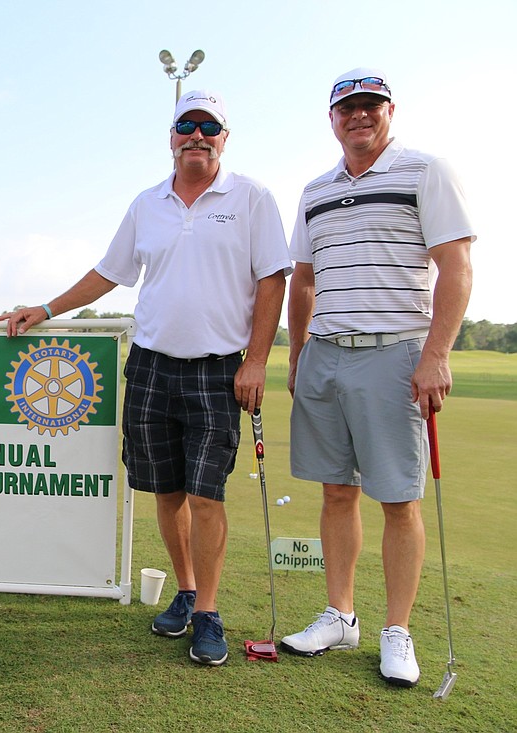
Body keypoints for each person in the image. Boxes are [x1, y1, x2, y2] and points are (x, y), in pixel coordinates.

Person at [0, 91, 291, 666]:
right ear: (172, 136)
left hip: (217, 370)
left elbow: (271, 281)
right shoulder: (147, 203)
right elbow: (110, 273)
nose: (197, 136)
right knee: (167, 490)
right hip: (153, 364)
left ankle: (208, 612)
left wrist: (257, 361)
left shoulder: (252, 197)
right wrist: (47, 309)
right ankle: (184, 592)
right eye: (187, 125)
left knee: (207, 494)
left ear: (225, 137)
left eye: (210, 126)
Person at [281, 68, 474, 687]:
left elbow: (456, 266)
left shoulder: (426, 170)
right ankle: (341, 615)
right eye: (347, 108)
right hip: (325, 353)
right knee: (335, 491)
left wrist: (436, 354)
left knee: (398, 498)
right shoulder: (314, 190)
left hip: (395, 353)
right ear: (332, 118)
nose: (358, 116)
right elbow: (304, 280)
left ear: (390, 110)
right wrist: (298, 352)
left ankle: (397, 629)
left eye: (370, 106)